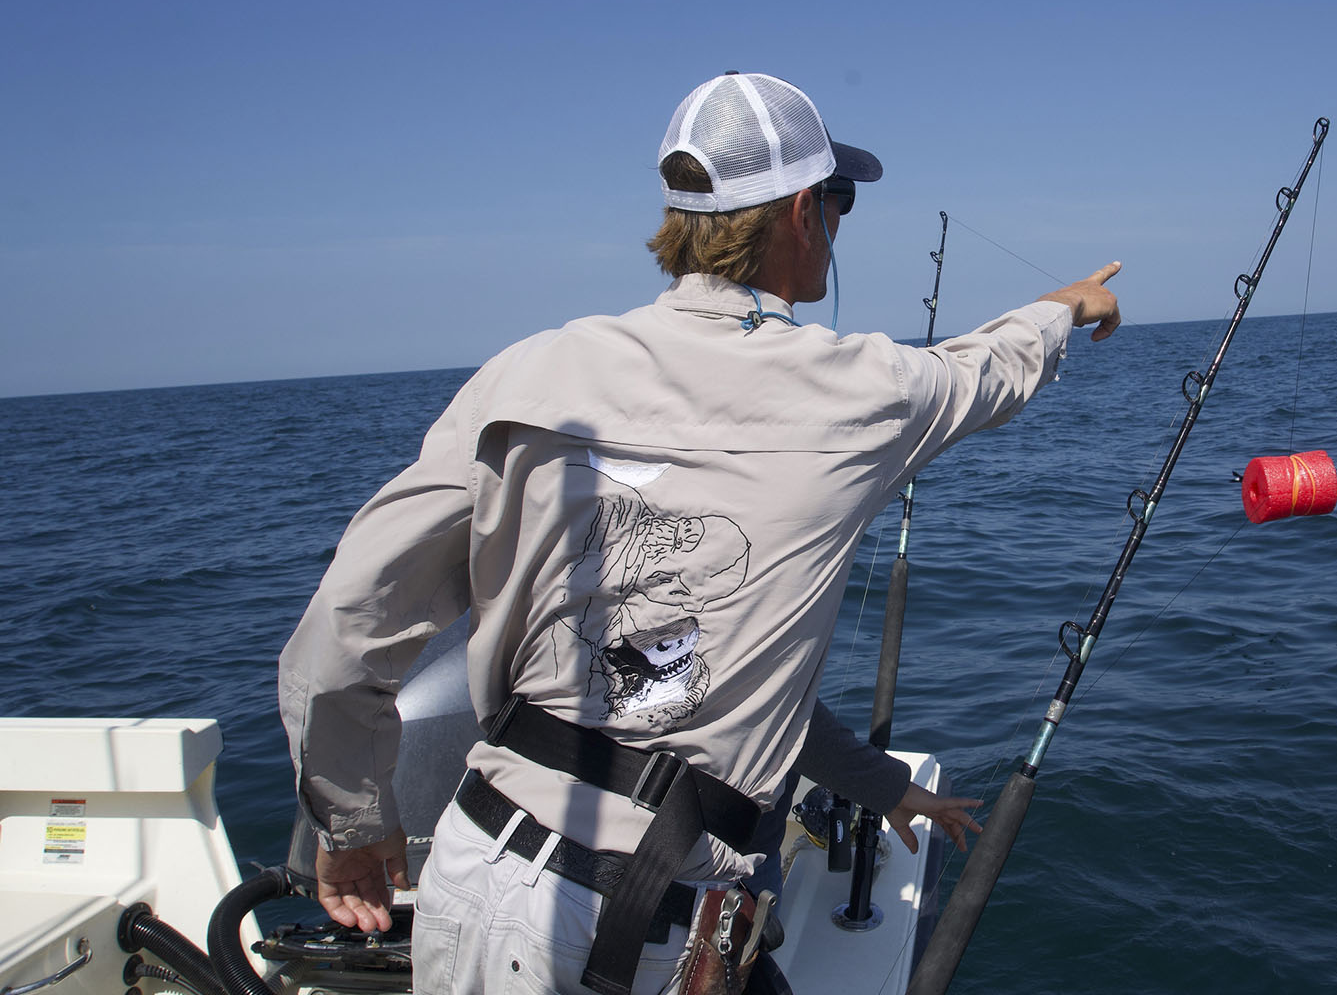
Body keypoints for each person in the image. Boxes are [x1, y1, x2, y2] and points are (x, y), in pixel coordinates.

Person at [278, 71, 1122, 995]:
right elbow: (983, 369)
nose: (838, 226)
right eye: (838, 202)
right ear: (802, 211)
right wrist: (1065, 309)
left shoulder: (523, 373)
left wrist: (352, 827)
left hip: (472, 880)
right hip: (633, 926)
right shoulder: (863, 391)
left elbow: (347, 626)